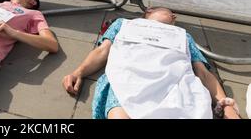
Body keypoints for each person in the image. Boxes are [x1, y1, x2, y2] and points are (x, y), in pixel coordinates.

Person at [62, 7, 241, 119]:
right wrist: (78, 72)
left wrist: (227, 106)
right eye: (169, 11)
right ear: (148, 11)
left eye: (174, 15)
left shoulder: (183, 35)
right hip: (128, 80)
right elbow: (102, 51)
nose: (173, 14)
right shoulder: (122, 24)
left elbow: (202, 73)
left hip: (176, 87)